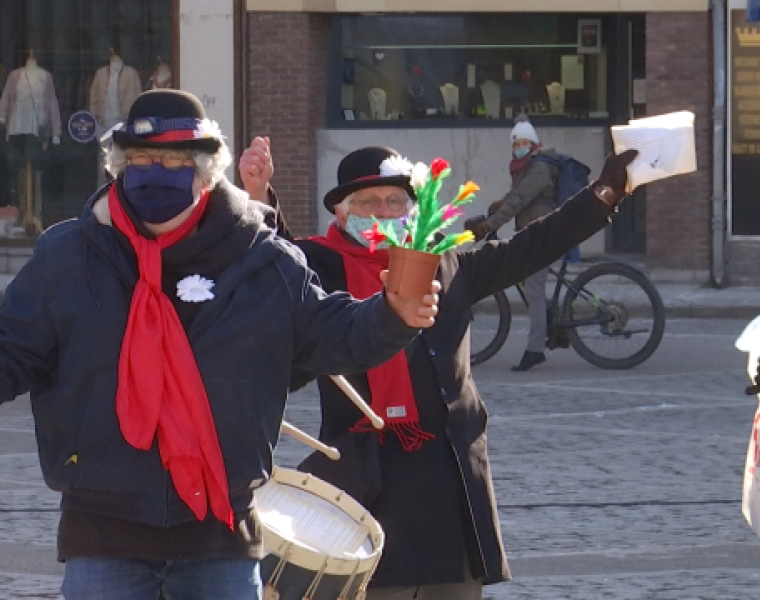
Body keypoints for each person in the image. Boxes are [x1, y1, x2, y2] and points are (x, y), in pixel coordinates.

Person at [0, 89, 440, 600]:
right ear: (119, 167)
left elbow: (332, 334)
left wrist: (392, 316)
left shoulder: (264, 259)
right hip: (100, 527)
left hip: (222, 534)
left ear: (206, 171)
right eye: (140, 159)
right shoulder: (69, 255)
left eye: (173, 160)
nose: (153, 172)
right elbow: (9, 348)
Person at [240, 141, 637, 599]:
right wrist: (259, 196)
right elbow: (276, 266)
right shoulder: (319, 266)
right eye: (368, 202)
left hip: (449, 480)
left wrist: (605, 192)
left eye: (395, 201)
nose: (384, 213)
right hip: (367, 480)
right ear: (343, 213)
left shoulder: (446, 262)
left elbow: (533, 246)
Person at [469, 115, 560, 371]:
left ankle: (535, 350)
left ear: (533, 144)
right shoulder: (525, 167)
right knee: (530, 283)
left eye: (523, 143)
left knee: (533, 290)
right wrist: (497, 207)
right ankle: (551, 326)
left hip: (544, 234)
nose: (519, 147)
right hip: (533, 232)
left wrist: (491, 224)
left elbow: (519, 200)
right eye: (516, 144)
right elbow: (514, 196)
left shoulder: (539, 168)